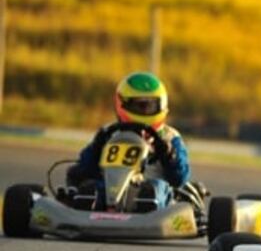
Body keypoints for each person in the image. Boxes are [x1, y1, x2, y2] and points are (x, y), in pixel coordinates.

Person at [66, 72, 191, 210]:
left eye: (151, 105)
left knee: (155, 188)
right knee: (89, 190)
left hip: (152, 192)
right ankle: (90, 209)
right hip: (111, 190)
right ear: (122, 104)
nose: (146, 111)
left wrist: (169, 155)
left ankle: (146, 208)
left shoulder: (169, 137)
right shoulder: (109, 133)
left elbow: (180, 178)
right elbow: (84, 168)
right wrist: (96, 148)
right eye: (140, 106)